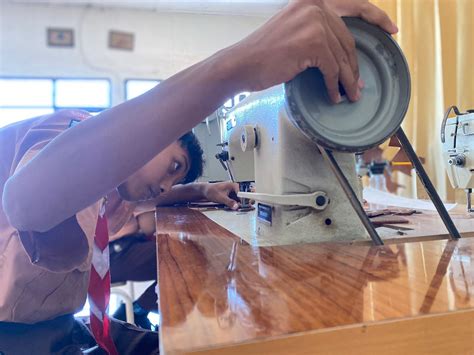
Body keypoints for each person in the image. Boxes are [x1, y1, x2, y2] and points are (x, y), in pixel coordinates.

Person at [0, 0, 398, 353]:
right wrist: (237, 66)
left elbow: (151, 199)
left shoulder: (114, 194)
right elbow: (25, 202)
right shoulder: (71, 132)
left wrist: (201, 188)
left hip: (61, 327)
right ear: (151, 136)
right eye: (172, 165)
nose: (166, 185)